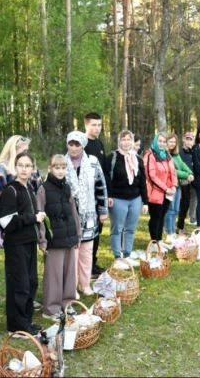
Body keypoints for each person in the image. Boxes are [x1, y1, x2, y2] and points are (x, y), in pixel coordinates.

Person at [0, 151, 44, 336]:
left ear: (33, 168)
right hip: (16, 245)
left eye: (28, 166)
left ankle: (27, 321)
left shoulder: (29, 188)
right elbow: (7, 221)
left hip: (29, 242)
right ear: (15, 167)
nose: (24, 169)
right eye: (21, 165)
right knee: (19, 285)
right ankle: (16, 326)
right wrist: (33, 218)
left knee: (30, 283)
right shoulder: (11, 190)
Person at [37, 155, 81, 320]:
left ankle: (67, 303)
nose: (60, 171)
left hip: (69, 236)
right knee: (54, 274)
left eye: (63, 168)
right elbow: (40, 215)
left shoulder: (67, 187)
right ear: (50, 168)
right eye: (57, 168)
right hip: (53, 239)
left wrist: (77, 234)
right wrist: (42, 239)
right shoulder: (43, 189)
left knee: (69, 273)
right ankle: (51, 308)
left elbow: (73, 213)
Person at [65, 131, 108, 296]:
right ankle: (72, 286)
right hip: (69, 217)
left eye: (77, 145)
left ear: (83, 145)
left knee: (87, 253)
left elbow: (101, 186)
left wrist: (102, 210)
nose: (74, 148)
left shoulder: (93, 162)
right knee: (72, 254)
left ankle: (85, 284)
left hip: (89, 215)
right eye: (71, 144)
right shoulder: (62, 162)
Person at [106, 130, 148, 269]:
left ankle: (127, 255)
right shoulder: (112, 157)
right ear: (119, 141)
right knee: (117, 228)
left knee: (130, 228)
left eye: (129, 139)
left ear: (132, 141)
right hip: (118, 199)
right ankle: (118, 257)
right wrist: (109, 196)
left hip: (135, 198)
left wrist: (145, 202)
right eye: (123, 139)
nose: (126, 142)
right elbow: (107, 179)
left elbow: (142, 181)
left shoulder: (138, 159)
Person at [83, 112, 108, 278]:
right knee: (86, 233)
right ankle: (84, 267)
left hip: (99, 197)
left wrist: (108, 196)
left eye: (99, 125)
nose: (97, 128)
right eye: (94, 125)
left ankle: (92, 265)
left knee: (98, 230)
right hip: (85, 198)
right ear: (86, 125)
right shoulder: (81, 145)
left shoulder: (99, 144)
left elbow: (103, 173)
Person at [143, 132, 177, 241]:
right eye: (160, 141)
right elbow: (151, 176)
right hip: (155, 192)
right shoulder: (150, 155)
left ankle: (159, 240)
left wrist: (174, 186)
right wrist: (165, 188)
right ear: (155, 141)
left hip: (168, 193)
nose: (162, 144)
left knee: (162, 216)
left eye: (164, 141)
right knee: (155, 217)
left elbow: (173, 172)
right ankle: (154, 242)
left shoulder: (167, 155)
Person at [0, 135, 42, 201]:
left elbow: (40, 194)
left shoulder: (32, 167)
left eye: (27, 151)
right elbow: (0, 198)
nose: (26, 154)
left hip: (33, 210)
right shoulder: (2, 168)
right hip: (12, 210)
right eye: (24, 151)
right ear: (13, 150)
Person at [164, 132, 192, 241]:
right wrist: (186, 175)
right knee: (170, 210)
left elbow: (183, 165)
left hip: (178, 185)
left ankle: (172, 231)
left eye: (174, 142)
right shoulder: (165, 155)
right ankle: (169, 232)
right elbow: (172, 171)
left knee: (175, 210)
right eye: (170, 141)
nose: (172, 144)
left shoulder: (176, 155)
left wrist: (190, 173)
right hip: (170, 186)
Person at [177, 132, 197, 230]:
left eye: (191, 139)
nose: (188, 141)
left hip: (190, 179)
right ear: (184, 140)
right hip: (181, 180)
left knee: (187, 203)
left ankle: (181, 225)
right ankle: (179, 226)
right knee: (183, 204)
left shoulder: (191, 152)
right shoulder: (179, 151)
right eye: (187, 139)